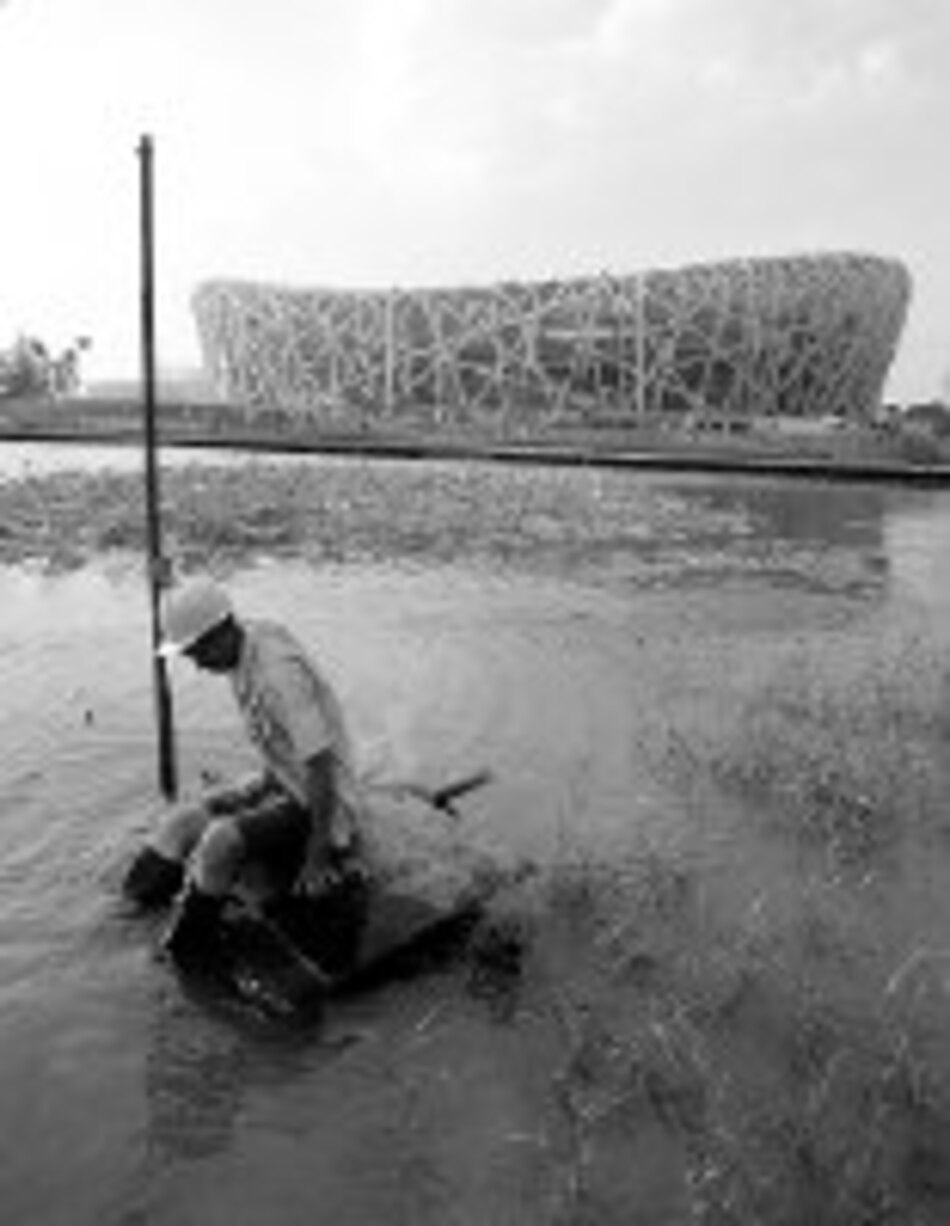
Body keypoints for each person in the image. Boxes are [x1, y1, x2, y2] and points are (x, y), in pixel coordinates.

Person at [123, 577, 366, 982]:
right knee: (181, 822)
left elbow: (320, 766)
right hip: (285, 780)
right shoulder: (242, 645)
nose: (197, 665)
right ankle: (126, 915)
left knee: (220, 841)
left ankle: (190, 961)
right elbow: (284, 745)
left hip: (323, 800)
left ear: (219, 635)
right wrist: (261, 785)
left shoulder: (278, 675)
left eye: (197, 653)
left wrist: (318, 855)